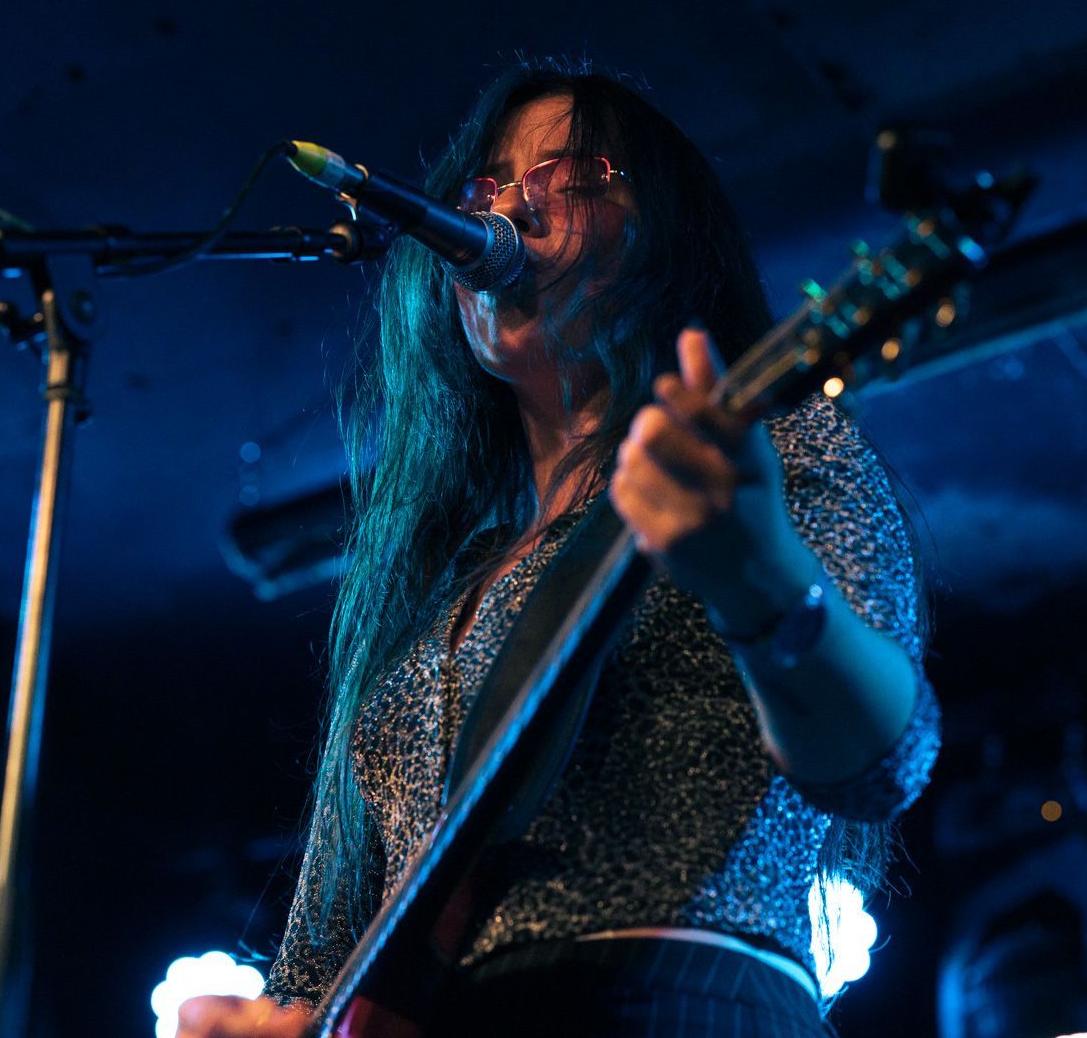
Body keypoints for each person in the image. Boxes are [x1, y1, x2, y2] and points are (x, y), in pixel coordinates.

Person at [177, 61, 940, 1038]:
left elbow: (885, 756)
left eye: (573, 178)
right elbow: (358, 958)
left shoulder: (767, 453)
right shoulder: (436, 586)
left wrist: (755, 573)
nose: (511, 209)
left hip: (673, 1006)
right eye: (486, 185)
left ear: (668, 234)